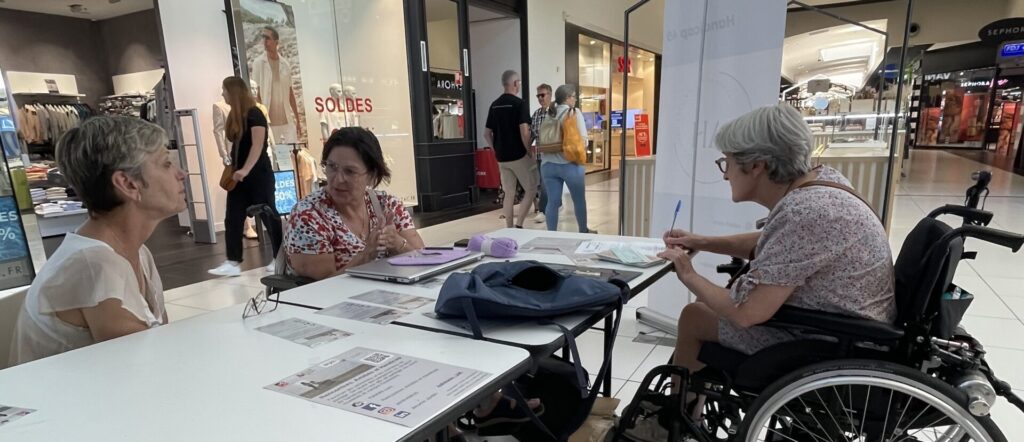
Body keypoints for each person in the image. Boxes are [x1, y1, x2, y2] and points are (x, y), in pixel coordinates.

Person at [655, 103, 896, 398]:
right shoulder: (821, 183)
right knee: (707, 307)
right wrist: (701, 242)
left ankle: (668, 423)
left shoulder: (806, 211)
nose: (725, 175)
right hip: (853, 327)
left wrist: (687, 273)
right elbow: (774, 243)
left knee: (694, 316)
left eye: (726, 163)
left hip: (831, 342)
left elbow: (745, 313)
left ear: (756, 166)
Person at [9, 116, 185, 365]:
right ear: (127, 183)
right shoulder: (94, 263)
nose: (181, 174)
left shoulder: (137, 253)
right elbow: (142, 364)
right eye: (166, 164)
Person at [285, 127, 425, 280]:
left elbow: (423, 262)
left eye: (350, 171)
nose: (338, 179)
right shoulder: (309, 215)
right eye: (332, 167)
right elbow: (321, 286)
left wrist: (396, 243)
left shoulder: (388, 206)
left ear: (372, 176)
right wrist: (366, 255)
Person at [209, 76, 283, 277]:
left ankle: (280, 256)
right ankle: (233, 261)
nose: (222, 93)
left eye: (224, 89)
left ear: (233, 91)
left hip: (258, 175)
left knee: (269, 215)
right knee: (232, 217)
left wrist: (246, 169)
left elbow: (258, 145)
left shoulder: (255, 113)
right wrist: (235, 169)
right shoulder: (235, 114)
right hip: (239, 177)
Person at [484, 70, 537, 229]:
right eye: (519, 82)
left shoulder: (494, 105)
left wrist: (497, 149)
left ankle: (508, 227)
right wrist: (529, 151)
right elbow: (524, 131)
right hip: (518, 155)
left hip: (502, 158)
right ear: (515, 83)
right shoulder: (519, 104)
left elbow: (486, 134)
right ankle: (519, 225)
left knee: (509, 193)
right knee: (532, 188)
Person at [538, 85, 595, 233]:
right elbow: (583, 139)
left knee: (553, 201)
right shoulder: (573, 112)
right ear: (568, 97)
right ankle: (583, 231)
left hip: (548, 165)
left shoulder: (550, 113)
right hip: (570, 164)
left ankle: (552, 233)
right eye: (574, 96)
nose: (575, 99)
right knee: (578, 200)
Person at [251, 26, 301, 143]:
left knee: (293, 154)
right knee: (274, 156)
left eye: (268, 38)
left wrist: (297, 119)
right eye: (264, 38)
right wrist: (261, 118)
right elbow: (256, 92)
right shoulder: (259, 63)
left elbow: (290, 93)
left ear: (276, 42)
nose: (265, 42)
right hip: (268, 121)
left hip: (286, 121)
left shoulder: (285, 64)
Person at [529, 83, 553, 225]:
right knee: (545, 183)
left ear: (550, 95)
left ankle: (543, 211)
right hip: (540, 156)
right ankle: (557, 203)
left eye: (542, 95)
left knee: (545, 184)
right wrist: (526, 148)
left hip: (553, 156)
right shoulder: (536, 114)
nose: (540, 98)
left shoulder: (556, 113)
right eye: (538, 95)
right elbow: (532, 134)